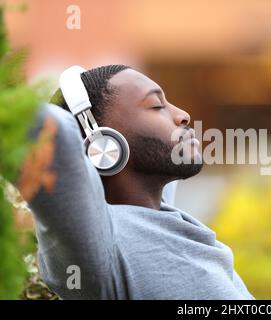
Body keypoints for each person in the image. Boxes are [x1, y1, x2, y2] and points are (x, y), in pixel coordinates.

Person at [20, 65, 255, 300]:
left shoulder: (175, 223)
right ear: (103, 143)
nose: (183, 115)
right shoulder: (100, 247)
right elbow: (49, 132)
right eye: (156, 106)